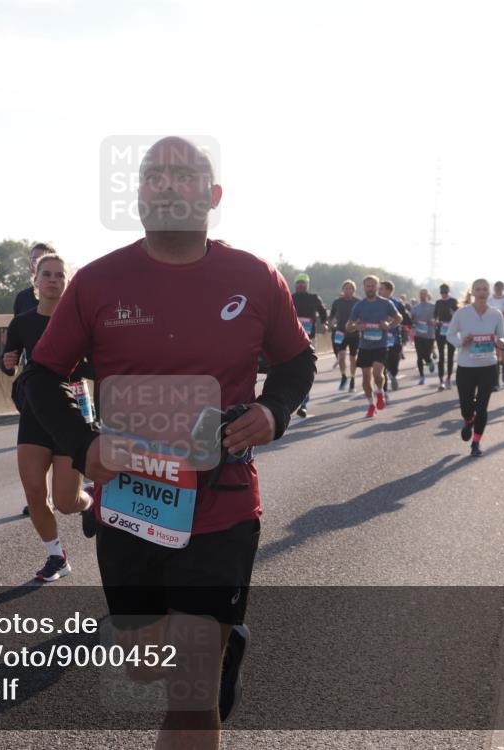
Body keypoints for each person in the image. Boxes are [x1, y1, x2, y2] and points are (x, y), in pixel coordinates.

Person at [20, 136, 316, 745]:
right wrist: (84, 448)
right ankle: (223, 640)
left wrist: (274, 409)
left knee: (190, 692)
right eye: (153, 176)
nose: (166, 185)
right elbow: (41, 380)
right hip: (130, 506)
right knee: (141, 662)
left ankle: (210, 647)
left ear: (213, 196)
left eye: (184, 176)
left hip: (222, 503)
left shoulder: (254, 277)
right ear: (138, 196)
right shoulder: (100, 281)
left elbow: (297, 362)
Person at [0, 253, 96, 582]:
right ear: (36, 281)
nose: (53, 279)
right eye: (47, 274)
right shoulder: (22, 323)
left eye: (59, 275)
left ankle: (90, 503)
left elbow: (96, 366)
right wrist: (7, 360)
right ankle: (56, 556)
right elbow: (9, 360)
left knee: (67, 501)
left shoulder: (81, 322)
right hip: (35, 413)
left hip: (70, 411)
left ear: (67, 282)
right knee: (33, 492)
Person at [446, 278, 504, 457]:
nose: (481, 292)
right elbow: (450, 335)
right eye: (478, 289)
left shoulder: (496, 314)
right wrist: (461, 342)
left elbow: (503, 338)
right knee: (466, 406)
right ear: (472, 292)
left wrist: (500, 342)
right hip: (466, 366)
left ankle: (476, 443)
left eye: (484, 289)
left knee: (482, 407)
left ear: (488, 293)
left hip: (488, 366)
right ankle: (468, 419)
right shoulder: (462, 313)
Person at [347, 275, 402, 418]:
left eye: (373, 286)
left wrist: (389, 325)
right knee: (366, 378)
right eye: (367, 286)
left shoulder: (386, 304)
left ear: (377, 287)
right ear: (364, 287)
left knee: (377, 373)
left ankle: (380, 392)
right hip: (365, 346)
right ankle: (371, 404)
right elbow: (349, 326)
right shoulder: (359, 306)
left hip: (381, 345)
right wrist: (358, 326)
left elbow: (399, 318)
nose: (370, 288)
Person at [291, 272, 328, 416]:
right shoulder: (290, 296)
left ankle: (304, 403)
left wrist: (324, 323)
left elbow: (323, 312)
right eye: (298, 283)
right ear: (295, 285)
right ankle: (296, 399)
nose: (301, 285)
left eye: (303, 283)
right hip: (291, 338)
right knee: (292, 371)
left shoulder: (313, 298)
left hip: (309, 339)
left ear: (307, 284)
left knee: (306, 370)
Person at [329, 280, 361, 391]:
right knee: (341, 357)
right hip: (340, 333)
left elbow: (362, 316)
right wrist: (332, 321)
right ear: (343, 290)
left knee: (353, 358)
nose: (348, 290)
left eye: (350, 288)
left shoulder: (358, 302)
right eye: (346, 288)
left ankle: (352, 378)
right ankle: (343, 377)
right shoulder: (337, 302)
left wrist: (358, 324)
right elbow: (332, 315)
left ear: (354, 290)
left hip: (354, 334)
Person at [379, 280, 409, 393]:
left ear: (389, 290)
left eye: (381, 289)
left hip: (395, 340)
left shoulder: (397, 303)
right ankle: (384, 392)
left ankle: (393, 375)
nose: (379, 291)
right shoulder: (376, 303)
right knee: (383, 365)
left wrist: (395, 320)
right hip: (380, 339)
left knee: (394, 364)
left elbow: (406, 319)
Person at [13, 242, 56, 316]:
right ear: (29, 263)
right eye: (34, 259)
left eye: (42, 259)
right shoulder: (22, 297)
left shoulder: (64, 298)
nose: (37, 263)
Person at [433, 284, 459, 390]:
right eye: (442, 293)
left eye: (445, 292)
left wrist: (454, 316)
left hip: (451, 329)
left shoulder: (453, 301)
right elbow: (435, 315)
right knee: (441, 356)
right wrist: (435, 321)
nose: (444, 294)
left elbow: (457, 313)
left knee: (450, 356)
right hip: (440, 330)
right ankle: (441, 380)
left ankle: (448, 378)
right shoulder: (438, 302)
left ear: (448, 292)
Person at [410, 288, 437, 385]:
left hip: (429, 335)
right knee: (419, 356)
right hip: (418, 335)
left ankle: (429, 362)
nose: (422, 296)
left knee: (426, 356)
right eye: (421, 294)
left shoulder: (433, 306)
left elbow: (438, 320)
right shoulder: (415, 308)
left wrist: (434, 322)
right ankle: (421, 376)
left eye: (424, 294)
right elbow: (411, 320)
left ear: (428, 295)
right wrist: (412, 321)